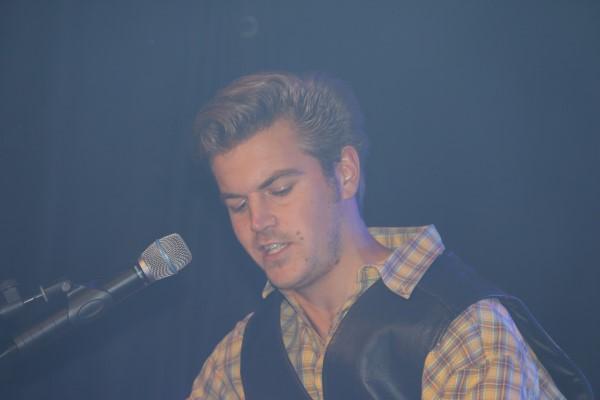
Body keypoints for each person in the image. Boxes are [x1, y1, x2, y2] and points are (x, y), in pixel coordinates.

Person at [187, 72, 592, 399]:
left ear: (344, 174)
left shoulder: (462, 327)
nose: (257, 221)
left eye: (279, 190)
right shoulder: (241, 357)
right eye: (237, 205)